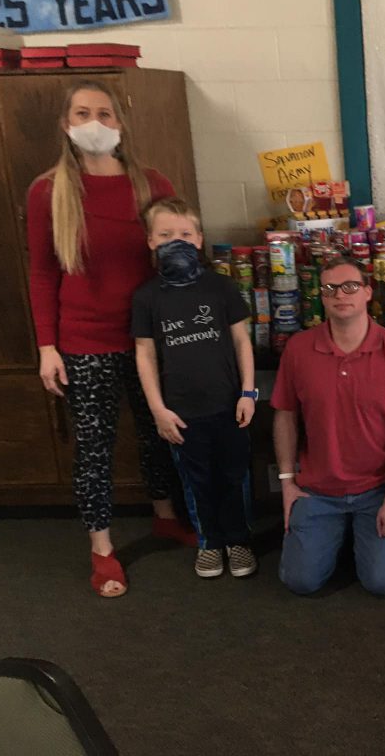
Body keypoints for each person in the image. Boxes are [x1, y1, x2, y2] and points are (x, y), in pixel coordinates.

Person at [26, 80, 195, 598]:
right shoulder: (48, 192)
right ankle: (102, 547)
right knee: (95, 448)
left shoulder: (152, 183)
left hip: (150, 337)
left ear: (120, 122)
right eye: (82, 113)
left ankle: (165, 515)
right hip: (83, 342)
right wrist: (47, 346)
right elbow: (41, 273)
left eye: (104, 112)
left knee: (158, 433)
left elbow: (179, 259)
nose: (94, 122)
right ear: (66, 123)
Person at [270, 256, 385, 596]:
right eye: (330, 288)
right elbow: (285, 415)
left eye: (350, 286)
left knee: (382, 582)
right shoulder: (299, 349)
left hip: (378, 487)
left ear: (367, 293)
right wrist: (287, 483)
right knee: (300, 581)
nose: (340, 294)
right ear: (322, 296)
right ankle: (339, 535)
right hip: (317, 489)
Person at [131, 198, 258, 579]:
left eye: (185, 234)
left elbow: (241, 342)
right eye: (166, 234)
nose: (177, 240)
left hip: (230, 405)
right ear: (151, 241)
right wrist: (157, 409)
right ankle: (209, 542)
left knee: (235, 475)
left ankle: (238, 539)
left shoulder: (222, 288)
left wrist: (249, 392)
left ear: (200, 239)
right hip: (180, 413)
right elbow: (145, 355)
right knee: (195, 480)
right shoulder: (147, 297)